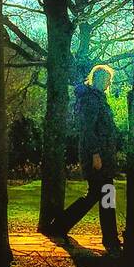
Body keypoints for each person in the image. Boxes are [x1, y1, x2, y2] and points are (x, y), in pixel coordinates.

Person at [51, 64, 121, 253]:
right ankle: (61, 226)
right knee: (99, 194)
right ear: (97, 79)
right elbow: (87, 130)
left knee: (103, 194)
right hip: (96, 156)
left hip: (102, 155)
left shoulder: (98, 99)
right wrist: (96, 154)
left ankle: (110, 237)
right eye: (105, 80)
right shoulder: (91, 100)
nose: (108, 83)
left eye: (108, 80)